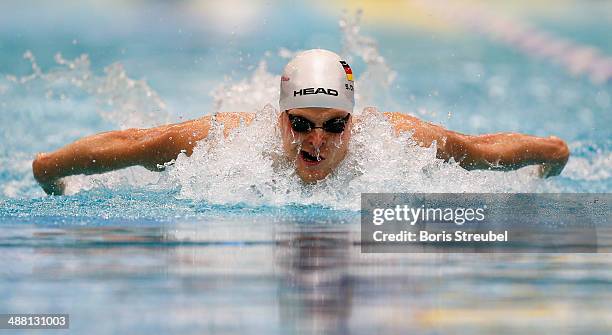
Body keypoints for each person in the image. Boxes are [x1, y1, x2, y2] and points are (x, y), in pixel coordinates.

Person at [32, 49, 570, 195]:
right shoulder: (225, 143)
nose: (317, 141)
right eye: (302, 124)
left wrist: (552, 157)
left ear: (354, 123)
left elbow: (484, 149)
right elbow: (135, 142)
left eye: (335, 125)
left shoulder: (399, 143)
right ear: (279, 117)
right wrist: (49, 171)